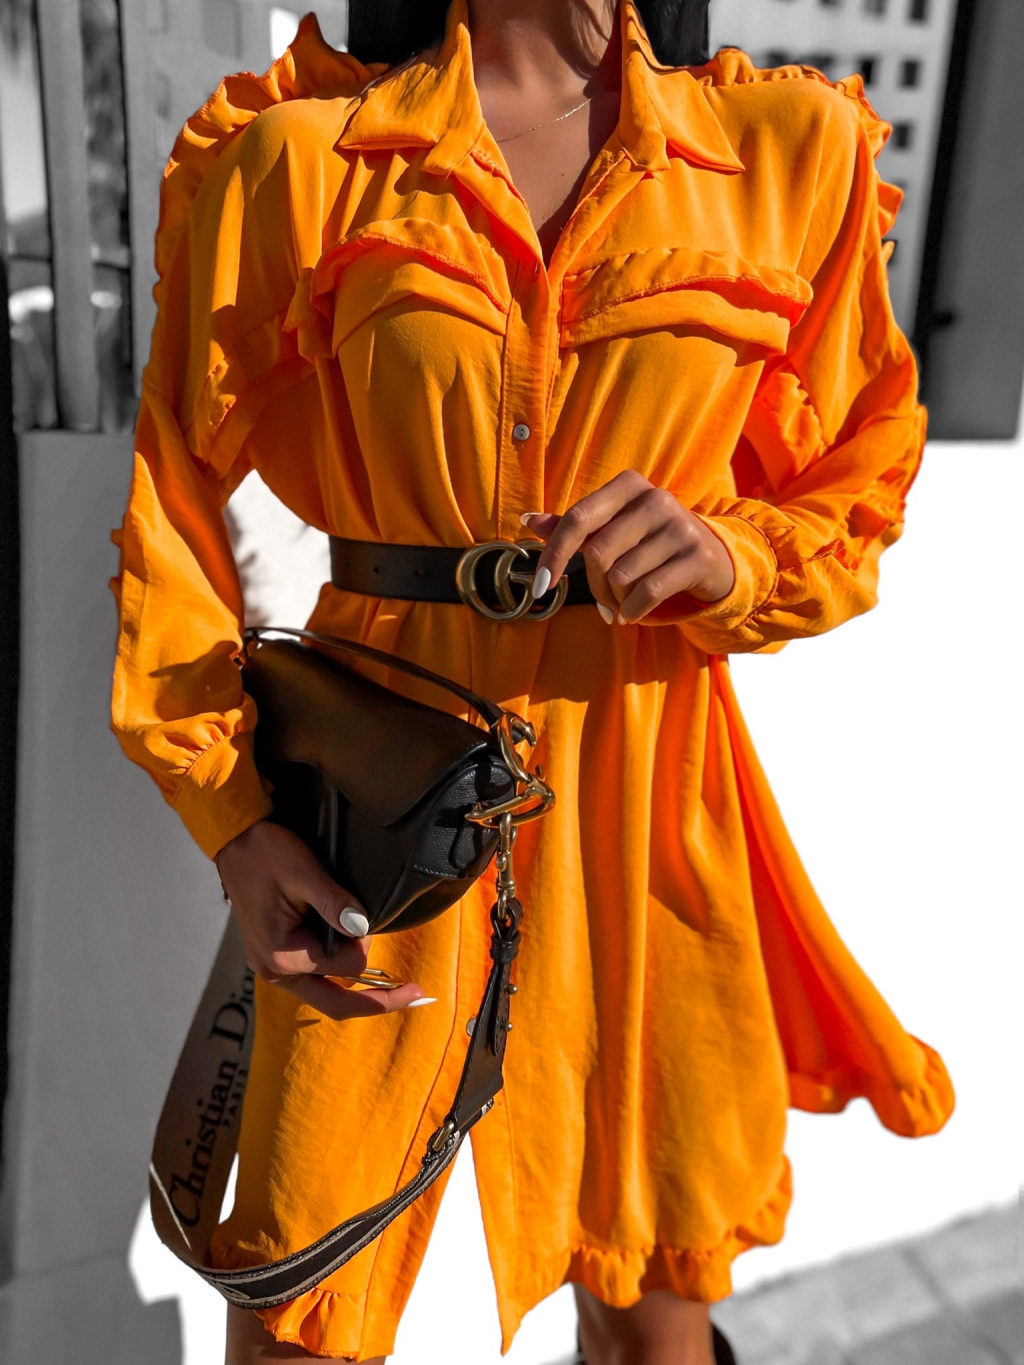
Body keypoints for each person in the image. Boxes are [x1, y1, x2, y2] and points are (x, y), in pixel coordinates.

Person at [110, 1, 955, 1361]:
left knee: (651, 1295)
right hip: (384, 794)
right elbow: (176, 503)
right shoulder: (307, 157)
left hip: (646, 775)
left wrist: (731, 555)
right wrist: (235, 819)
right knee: (297, 1308)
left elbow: (859, 475)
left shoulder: (786, 152)